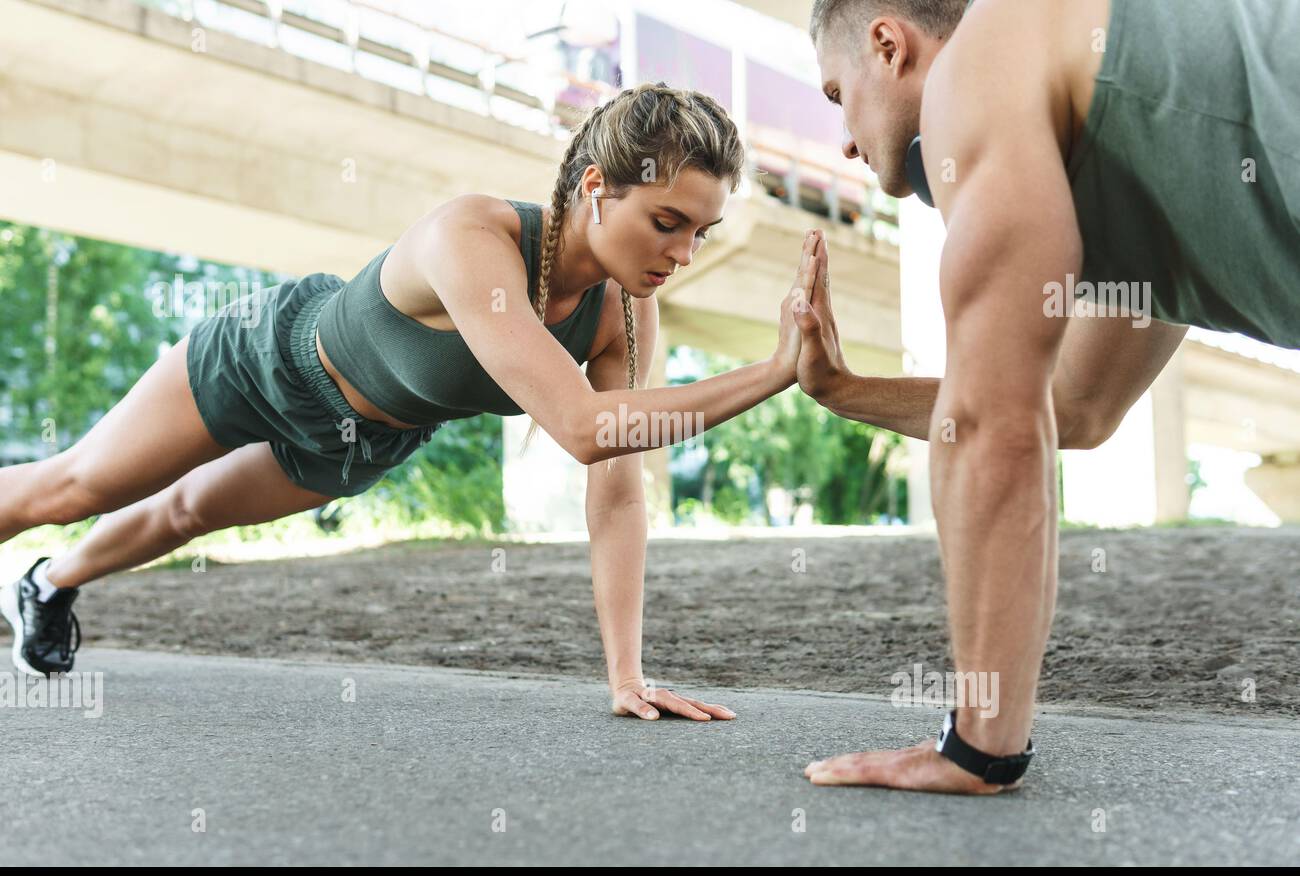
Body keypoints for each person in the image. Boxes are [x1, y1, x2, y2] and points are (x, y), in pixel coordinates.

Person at [1, 82, 825, 724]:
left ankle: (47, 585)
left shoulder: (623, 312)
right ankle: (45, 553)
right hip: (267, 358)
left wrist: (626, 674)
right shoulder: (474, 235)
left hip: (362, 442)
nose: (681, 254)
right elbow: (580, 429)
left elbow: (615, 482)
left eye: (700, 234)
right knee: (77, 487)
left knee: (186, 516)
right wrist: (774, 370)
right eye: (667, 222)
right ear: (598, 186)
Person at [796, 0, 1299, 793]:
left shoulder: (978, 67)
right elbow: (1073, 405)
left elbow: (991, 422)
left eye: (836, 96)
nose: (847, 140)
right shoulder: (1110, 134)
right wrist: (844, 391)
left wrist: (977, 749)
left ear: (888, 46)